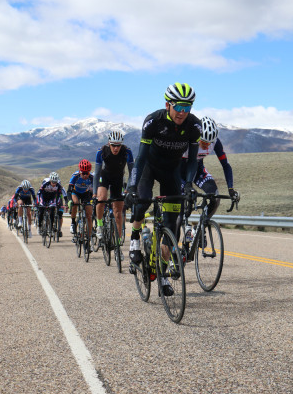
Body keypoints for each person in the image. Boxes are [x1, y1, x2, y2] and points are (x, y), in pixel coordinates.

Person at [125, 82, 201, 295]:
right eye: (179, 107)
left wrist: (188, 185)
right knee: (142, 202)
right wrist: (131, 186)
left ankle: (163, 276)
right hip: (150, 168)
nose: (182, 113)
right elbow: (140, 158)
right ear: (168, 104)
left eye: (188, 108)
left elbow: (193, 161)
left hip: (172, 172)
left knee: (171, 228)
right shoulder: (153, 121)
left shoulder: (194, 126)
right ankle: (135, 239)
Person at [181, 116, 240, 221]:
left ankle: (201, 226)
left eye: (209, 143)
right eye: (203, 142)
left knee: (215, 197)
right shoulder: (188, 140)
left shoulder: (215, 143)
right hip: (179, 172)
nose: (206, 145)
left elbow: (225, 165)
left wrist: (230, 189)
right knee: (180, 208)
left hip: (197, 171)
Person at [93, 130, 134, 261]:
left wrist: (128, 189)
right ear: (109, 143)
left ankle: (117, 248)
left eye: (118, 145)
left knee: (118, 213)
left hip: (118, 180)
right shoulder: (101, 151)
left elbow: (132, 172)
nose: (116, 148)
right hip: (104, 178)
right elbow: (97, 173)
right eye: (113, 145)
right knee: (102, 199)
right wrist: (94, 192)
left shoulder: (127, 152)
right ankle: (99, 225)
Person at [67, 159, 94, 246]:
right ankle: (73, 223)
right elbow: (69, 190)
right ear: (80, 171)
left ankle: (89, 240)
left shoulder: (92, 177)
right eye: (83, 173)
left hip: (86, 193)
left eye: (87, 173)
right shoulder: (75, 176)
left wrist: (94, 198)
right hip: (76, 192)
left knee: (89, 216)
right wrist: (69, 200)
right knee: (75, 203)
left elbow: (95, 191)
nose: (85, 175)